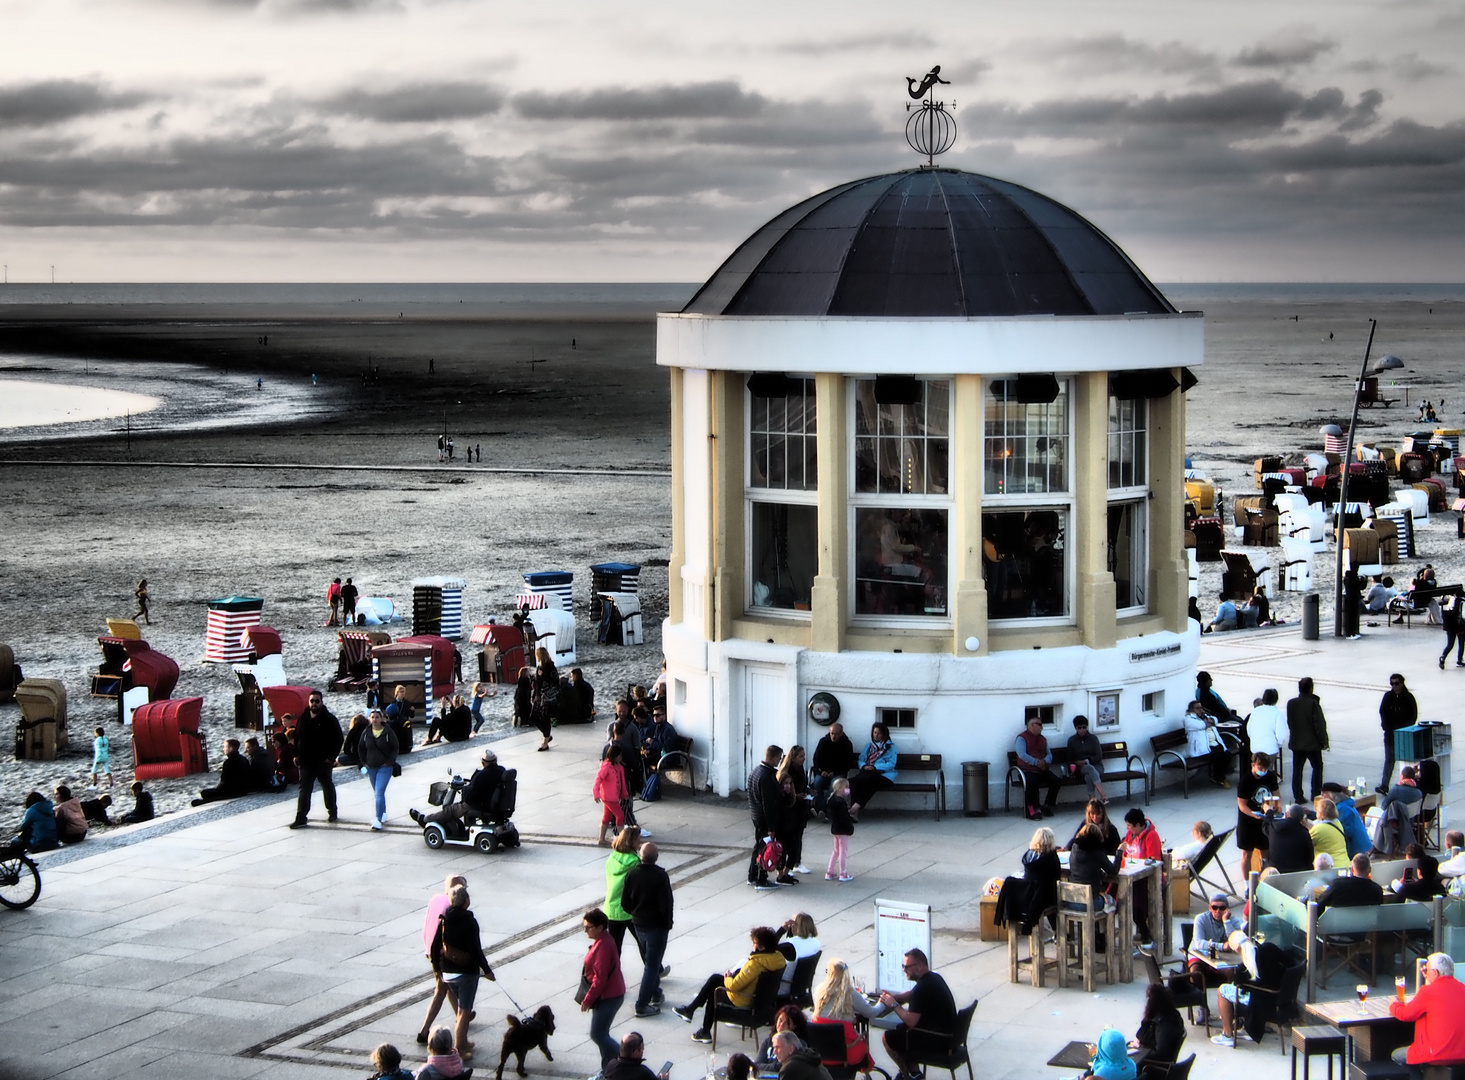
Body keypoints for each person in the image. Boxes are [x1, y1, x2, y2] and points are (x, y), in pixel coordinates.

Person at [674, 925, 787, 1044]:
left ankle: (701, 1025)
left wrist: (728, 977)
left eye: (754, 942)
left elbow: (734, 986)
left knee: (715, 990)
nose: (752, 945)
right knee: (716, 979)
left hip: (742, 999)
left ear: (762, 947)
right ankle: (692, 1012)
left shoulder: (756, 964)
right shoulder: (778, 959)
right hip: (761, 1000)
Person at [430, 884, 496, 1060]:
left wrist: (437, 968)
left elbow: (435, 945)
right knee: (464, 1011)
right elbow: (476, 949)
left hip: (447, 972)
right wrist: (487, 971)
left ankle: (464, 1041)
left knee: (461, 1008)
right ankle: (459, 1048)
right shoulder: (469, 921)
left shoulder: (444, 919)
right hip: (465, 972)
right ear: (467, 900)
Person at [876, 948, 956, 1080]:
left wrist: (893, 1004)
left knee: (889, 1038)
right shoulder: (933, 978)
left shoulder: (923, 988)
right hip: (949, 1035)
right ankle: (915, 1073)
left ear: (918, 966)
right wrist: (894, 997)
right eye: (903, 966)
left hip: (938, 1040)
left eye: (907, 967)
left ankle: (907, 1074)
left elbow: (911, 1021)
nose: (904, 970)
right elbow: (911, 994)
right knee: (900, 1030)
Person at [1390, 953, 1465, 1079]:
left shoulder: (1428, 991)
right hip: (1462, 1053)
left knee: (1397, 1056)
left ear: (1435, 973)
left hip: (1438, 1054)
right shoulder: (1462, 988)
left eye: (1426, 969)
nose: (1424, 971)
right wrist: (1428, 979)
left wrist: (1394, 1005)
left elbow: (1405, 1014)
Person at [622, 842, 674, 1018]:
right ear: (656, 857)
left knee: (649, 962)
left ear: (641, 856)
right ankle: (642, 1005)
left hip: (638, 924)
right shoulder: (660, 876)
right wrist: (667, 924)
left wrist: (636, 914)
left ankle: (656, 993)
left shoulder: (632, 874)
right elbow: (667, 903)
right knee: (651, 966)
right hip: (656, 927)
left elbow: (625, 903)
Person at [1211, 931, 1289, 1048]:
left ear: (1236, 950)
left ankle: (1227, 1035)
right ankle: (1247, 1029)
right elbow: (1290, 963)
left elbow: (1240, 988)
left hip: (1261, 1001)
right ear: (1248, 938)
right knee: (1238, 989)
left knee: (1222, 990)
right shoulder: (1269, 948)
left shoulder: (1243, 969)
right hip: (1280, 996)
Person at [417, 875, 468, 1045]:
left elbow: (427, 923)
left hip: (431, 949)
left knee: (447, 987)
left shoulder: (435, 899)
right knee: (441, 990)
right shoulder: (450, 907)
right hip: (442, 954)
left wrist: (427, 946)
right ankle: (424, 1031)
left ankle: (460, 1015)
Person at [411, 749, 505, 830]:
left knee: (451, 810)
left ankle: (425, 819)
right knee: (455, 808)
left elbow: (471, 795)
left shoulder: (482, 776)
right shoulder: (502, 771)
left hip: (480, 804)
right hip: (493, 803)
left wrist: (464, 788)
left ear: (483, 763)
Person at [581, 908, 627, 1069]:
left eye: (588, 927)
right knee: (602, 1036)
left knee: (598, 1034)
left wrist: (587, 1000)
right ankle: (607, 1070)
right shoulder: (602, 940)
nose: (585, 930)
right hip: (607, 995)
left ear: (600, 927)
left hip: (609, 996)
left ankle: (625, 1061)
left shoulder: (603, 946)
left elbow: (600, 980)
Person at [290, 690, 342, 829]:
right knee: (304, 789)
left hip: (322, 761)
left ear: (321, 702)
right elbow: (297, 737)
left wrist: (331, 758)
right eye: (312, 701)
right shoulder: (303, 718)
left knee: (327, 786)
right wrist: (296, 755)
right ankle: (301, 817)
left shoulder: (329, 719)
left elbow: (338, 739)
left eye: (317, 701)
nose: (314, 704)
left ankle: (332, 811)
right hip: (306, 761)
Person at [1121, 807, 1162, 948]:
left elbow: (1154, 861)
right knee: (1117, 888)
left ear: (1138, 825)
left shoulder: (1152, 836)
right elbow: (1126, 853)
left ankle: (1146, 935)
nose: (1128, 829)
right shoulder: (1129, 835)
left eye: (1130, 826)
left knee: (1133, 899)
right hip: (1132, 876)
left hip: (1149, 878)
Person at [1235, 752, 1280, 877]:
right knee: (1247, 854)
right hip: (1248, 822)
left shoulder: (1270, 776)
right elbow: (1242, 805)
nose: (1263, 771)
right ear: (1253, 765)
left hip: (1264, 821)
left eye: (1266, 768)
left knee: (1265, 853)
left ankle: (1264, 877)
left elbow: (1276, 794)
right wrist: (1253, 814)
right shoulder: (1245, 781)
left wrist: (1276, 809)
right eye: (1261, 768)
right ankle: (1247, 884)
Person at [1286, 677, 1329, 803]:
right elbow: (1319, 725)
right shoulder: (1313, 704)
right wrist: (1324, 741)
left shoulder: (1291, 703)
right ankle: (1315, 793)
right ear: (1311, 688)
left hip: (1296, 742)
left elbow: (1290, 722)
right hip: (1312, 744)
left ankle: (1298, 795)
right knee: (1317, 767)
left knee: (1297, 770)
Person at [747, 743, 784, 890]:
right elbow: (768, 804)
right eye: (779, 758)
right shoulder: (767, 776)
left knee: (758, 847)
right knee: (765, 850)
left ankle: (752, 876)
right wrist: (772, 827)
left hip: (756, 816)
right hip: (764, 819)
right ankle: (761, 879)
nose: (779, 761)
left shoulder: (756, 771)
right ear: (774, 757)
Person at [1188, 894, 1241, 993]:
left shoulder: (1233, 921)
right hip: (1201, 955)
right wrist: (1222, 946)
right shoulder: (1201, 919)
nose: (1218, 911)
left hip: (1221, 958)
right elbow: (1199, 943)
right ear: (1210, 907)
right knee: (1196, 972)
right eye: (1214, 907)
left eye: (1222, 908)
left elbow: (1236, 940)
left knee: (1232, 973)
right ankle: (1202, 1004)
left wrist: (1226, 921)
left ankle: (1227, 998)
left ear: (1227, 909)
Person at [1015, 715, 1063, 820]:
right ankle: (1032, 810)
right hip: (1027, 770)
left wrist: (1044, 761)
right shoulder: (1022, 738)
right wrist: (1036, 762)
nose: (1042, 727)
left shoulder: (1042, 739)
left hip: (1041, 769)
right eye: (1040, 725)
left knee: (1056, 781)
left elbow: (1049, 754)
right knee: (1032, 783)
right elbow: (1022, 754)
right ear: (1032, 725)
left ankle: (1047, 805)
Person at [605, 825, 642, 960]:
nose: (640, 843)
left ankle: (612, 974)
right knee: (643, 941)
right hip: (629, 909)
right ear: (631, 842)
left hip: (612, 908)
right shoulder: (634, 862)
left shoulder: (612, 858)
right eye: (638, 840)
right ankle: (656, 970)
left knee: (615, 947)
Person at [360, 708, 400, 831]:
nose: (375, 720)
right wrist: (363, 763)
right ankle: (382, 813)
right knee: (378, 793)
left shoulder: (388, 732)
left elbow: (395, 747)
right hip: (371, 767)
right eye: (372, 717)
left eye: (377, 717)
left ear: (381, 718)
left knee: (379, 791)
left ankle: (377, 819)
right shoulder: (366, 732)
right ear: (369, 719)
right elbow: (360, 747)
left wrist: (389, 762)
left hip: (385, 767)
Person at [847, 723, 897, 819]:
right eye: (874, 732)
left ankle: (853, 810)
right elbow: (861, 759)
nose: (876, 735)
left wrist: (875, 767)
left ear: (884, 734)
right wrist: (864, 766)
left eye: (879, 733)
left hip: (885, 776)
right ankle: (854, 812)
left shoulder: (890, 747)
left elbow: (891, 763)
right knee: (864, 784)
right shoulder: (869, 745)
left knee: (865, 781)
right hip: (868, 775)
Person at [1379, 673, 1418, 793]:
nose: (1394, 686)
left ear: (1402, 683)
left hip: (1402, 735)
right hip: (1390, 734)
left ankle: (1408, 782)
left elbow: (1413, 715)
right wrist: (1385, 726)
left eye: (1396, 683)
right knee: (1389, 759)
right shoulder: (1388, 696)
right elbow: (1382, 711)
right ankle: (1384, 785)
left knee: (1405, 760)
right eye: (1392, 683)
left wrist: (1405, 728)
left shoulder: (1408, 697)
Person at [776, 746, 812, 876]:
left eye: (804, 756)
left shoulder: (800, 769)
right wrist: (796, 796)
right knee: (787, 841)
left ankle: (796, 862)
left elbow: (802, 785)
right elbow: (783, 794)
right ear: (793, 757)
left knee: (798, 838)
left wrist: (808, 791)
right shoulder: (788, 772)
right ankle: (785, 867)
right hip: (790, 810)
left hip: (800, 808)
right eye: (801, 756)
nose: (803, 759)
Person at [1375, 764, 1426, 856]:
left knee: (1372, 813)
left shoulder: (1396, 790)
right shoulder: (1418, 793)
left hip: (1393, 822)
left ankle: (1376, 844)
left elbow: (1384, 806)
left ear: (1402, 776)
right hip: (1409, 822)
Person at [1132, 983, 1186, 1066]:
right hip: (1155, 1056)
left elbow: (1160, 1054)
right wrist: (1147, 1017)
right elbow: (1140, 1035)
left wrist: (1141, 1050)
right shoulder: (1171, 1014)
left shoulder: (1165, 1025)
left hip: (1155, 1066)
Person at [1182, 700, 1231, 789]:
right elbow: (1201, 725)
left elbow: (1215, 720)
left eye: (1201, 707)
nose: (1201, 710)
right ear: (1191, 710)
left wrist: (1211, 721)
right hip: (1200, 749)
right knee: (1217, 757)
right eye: (1197, 708)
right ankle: (1219, 778)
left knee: (1227, 754)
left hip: (1213, 745)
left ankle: (1218, 776)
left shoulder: (1205, 716)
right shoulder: (1188, 720)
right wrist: (1207, 723)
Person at [809, 722, 856, 812]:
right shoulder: (823, 742)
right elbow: (816, 758)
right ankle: (822, 807)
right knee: (817, 784)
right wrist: (821, 770)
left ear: (841, 734)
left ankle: (822, 809)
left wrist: (835, 772)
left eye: (836, 734)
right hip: (823, 772)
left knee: (834, 786)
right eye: (832, 733)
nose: (833, 736)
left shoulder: (847, 744)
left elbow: (848, 763)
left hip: (839, 773)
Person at [191, 738, 254, 804]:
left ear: (231, 748)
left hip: (232, 790)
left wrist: (218, 790)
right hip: (243, 789)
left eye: (225, 747)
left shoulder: (229, 762)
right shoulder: (244, 759)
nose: (224, 749)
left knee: (204, 793)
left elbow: (224, 782)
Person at [1317, 853, 1384, 914]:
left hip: (1340, 925)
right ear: (1369, 870)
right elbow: (1379, 913)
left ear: (1352, 869)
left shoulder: (1337, 885)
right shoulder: (1377, 890)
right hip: (1366, 926)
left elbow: (1320, 903)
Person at [1319, 783, 1371, 857]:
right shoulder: (1342, 805)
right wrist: (1311, 814)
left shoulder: (1344, 809)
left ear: (1332, 795)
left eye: (1324, 794)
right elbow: (1327, 815)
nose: (1322, 796)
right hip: (1356, 847)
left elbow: (1344, 832)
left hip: (1357, 850)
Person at [776, 914, 822, 997]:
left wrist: (782, 930)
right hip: (800, 987)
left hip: (784, 986)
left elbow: (767, 949)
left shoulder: (791, 945)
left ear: (795, 926)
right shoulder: (816, 943)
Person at [1066, 715, 1108, 803]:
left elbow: (1099, 756)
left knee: (1089, 775)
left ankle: (1092, 801)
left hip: (1096, 766)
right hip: (1080, 768)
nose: (1082, 730)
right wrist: (1071, 771)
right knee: (1089, 769)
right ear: (1076, 728)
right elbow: (1069, 758)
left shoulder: (1093, 739)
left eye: (1084, 727)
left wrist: (1086, 761)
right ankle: (1103, 795)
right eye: (1079, 728)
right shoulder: (1072, 740)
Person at [594, 744, 631, 847]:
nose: (621, 758)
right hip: (609, 797)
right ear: (614, 756)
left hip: (612, 796)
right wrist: (596, 793)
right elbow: (598, 779)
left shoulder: (618, 767)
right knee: (620, 815)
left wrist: (624, 793)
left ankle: (601, 839)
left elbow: (621, 781)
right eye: (619, 756)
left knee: (606, 817)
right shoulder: (607, 767)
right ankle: (623, 840)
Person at [1022, 826, 1063, 916]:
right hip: (1044, 898)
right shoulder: (1051, 858)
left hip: (1028, 894)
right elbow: (1057, 876)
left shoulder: (1028, 855)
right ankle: (1056, 927)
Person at [1265, 804, 1316, 874]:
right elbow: (1310, 857)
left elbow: (1265, 825)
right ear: (1302, 818)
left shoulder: (1274, 827)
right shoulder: (1304, 833)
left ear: (1287, 814)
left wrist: (1269, 812)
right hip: (1298, 871)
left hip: (1277, 870)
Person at [603, 1032, 672, 1080]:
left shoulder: (611, 1066)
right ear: (635, 1052)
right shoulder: (642, 1073)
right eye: (642, 1049)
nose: (643, 1051)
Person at [1245, 689, 1288, 765]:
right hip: (1270, 749)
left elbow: (1249, 729)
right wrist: (1278, 744)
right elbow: (1281, 736)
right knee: (1268, 771)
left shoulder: (1255, 711)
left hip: (1255, 748)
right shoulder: (1278, 714)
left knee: (1256, 771)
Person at [825, 777, 855, 882]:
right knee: (843, 851)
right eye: (846, 787)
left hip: (835, 829)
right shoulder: (841, 803)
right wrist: (850, 827)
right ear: (839, 788)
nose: (848, 789)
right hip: (843, 829)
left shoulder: (832, 801)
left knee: (836, 850)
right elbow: (844, 817)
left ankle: (830, 871)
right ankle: (843, 873)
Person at [531, 647, 558, 751]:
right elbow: (538, 683)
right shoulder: (540, 667)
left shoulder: (550, 667)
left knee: (545, 718)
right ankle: (547, 735)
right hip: (539, 696)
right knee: (534, 717)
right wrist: (535, 695)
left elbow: (555, 681)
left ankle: (545, 741)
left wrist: (544, 676)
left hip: (548, 697)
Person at [1310, 798, 1350, 867]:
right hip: (1345, 864)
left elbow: (1306, 842)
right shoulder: (1337, 823)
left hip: (1329, 867)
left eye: (1317, 808)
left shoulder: (1318, 829)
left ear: (1321, 813)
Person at [385, 684, 416, 751]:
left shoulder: (407, 703)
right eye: (401, 692)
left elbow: (412, 716)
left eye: (404, 692)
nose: (403, 693)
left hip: (404, 723)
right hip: (395, 724)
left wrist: (413, 711)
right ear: (397, 693)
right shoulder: (392, 703)